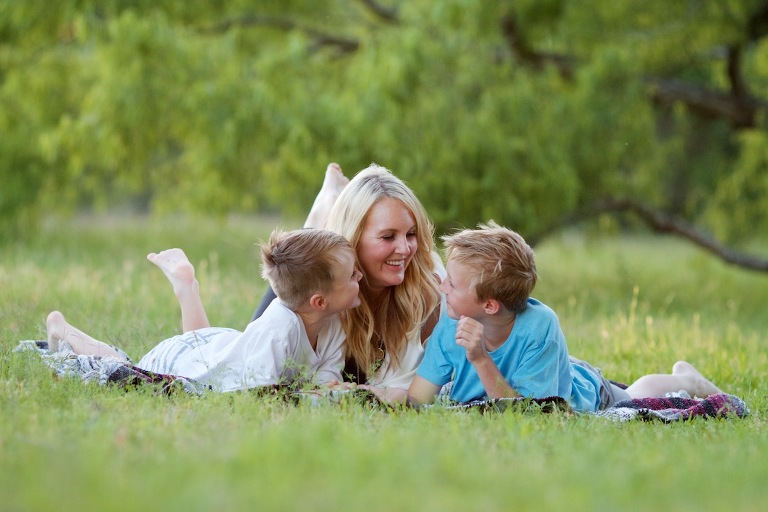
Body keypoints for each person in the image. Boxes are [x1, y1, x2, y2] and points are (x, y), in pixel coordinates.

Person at [407, 221, 725, 412]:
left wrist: (479, 358)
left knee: (634, 396)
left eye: (452, 282)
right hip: (544, 370)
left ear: (489, 305)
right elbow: (417, 398)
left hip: (583, 392)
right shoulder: (450, 320)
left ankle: (685, 379)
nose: (441, 284)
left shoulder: (540, 325)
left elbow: (529, 414)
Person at [45, 228, 363, 392]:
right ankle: (64, 330)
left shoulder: (333, 323)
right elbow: (261, 394)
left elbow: (325, 380)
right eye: (352, 276)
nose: (359, 276)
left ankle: (187, 287)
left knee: (204, 348)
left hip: (224, 345)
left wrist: (333, 388)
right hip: (178, 358)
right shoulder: (279, 332)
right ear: (319, 301)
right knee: (125, 364)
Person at [251, 163, 443, 403]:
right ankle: (317, 220)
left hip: (362, 366)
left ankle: (319, 220)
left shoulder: (428, 285)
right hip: (328, 282)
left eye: (411, 234)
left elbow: (412, 392)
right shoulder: (330, 286)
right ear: (353, 238)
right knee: (287, 299)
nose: (405, 249)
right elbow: (261, 373)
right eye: (388, 236)